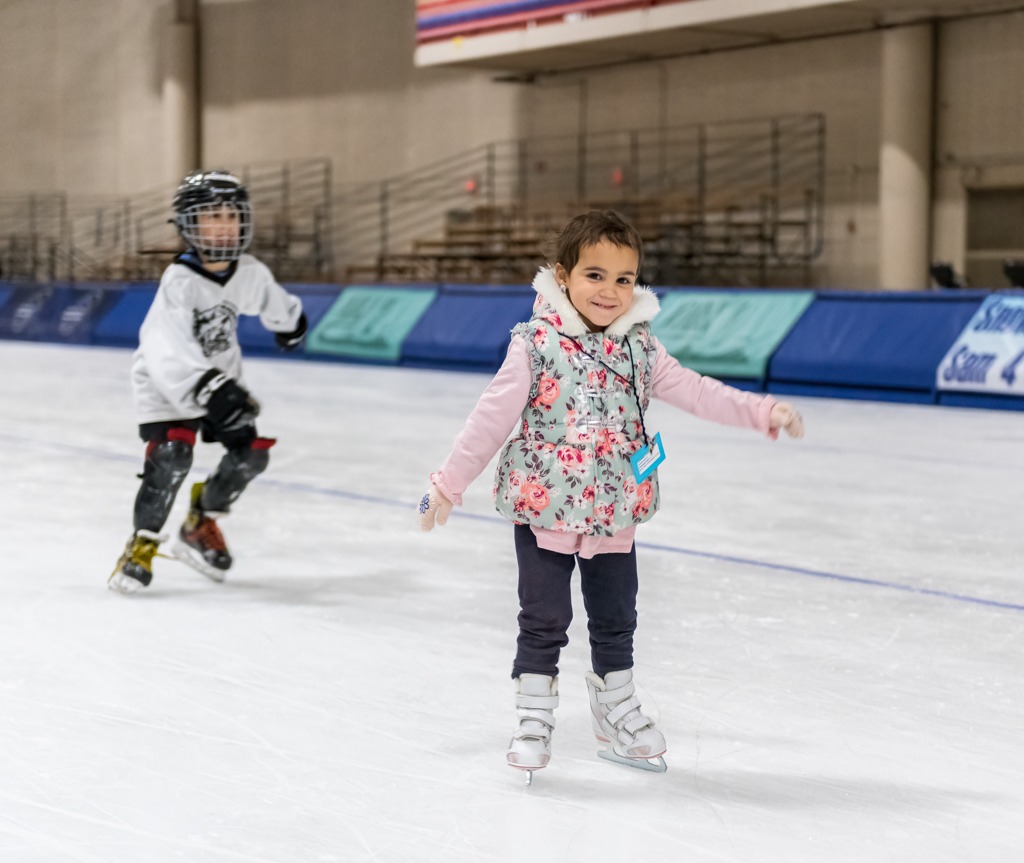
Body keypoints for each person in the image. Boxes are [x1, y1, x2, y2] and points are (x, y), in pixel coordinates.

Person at [418, 209, 804, 779]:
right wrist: (446, 485)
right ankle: (533, 714)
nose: (610, 291)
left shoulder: (641, 350)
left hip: (614, 509)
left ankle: (614, 708)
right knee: (543, 617)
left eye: (624, 279)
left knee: (617, 618)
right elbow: (489, 420)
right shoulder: (537, 345)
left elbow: (699, 393)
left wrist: (761, 411)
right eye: (594, 275)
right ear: (563, 275)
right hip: (545, 505)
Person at [109, 169, 308, 594]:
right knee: (172, 456)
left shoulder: (248, 271)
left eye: (230, 215)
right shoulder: (179, 281)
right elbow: (165, 348)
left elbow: (274, 302)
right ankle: (140, 546)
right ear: (189, 226)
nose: (223, 225)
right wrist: (206, 386)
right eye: (210, 216)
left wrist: (289, 323)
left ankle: (201, 521)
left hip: (218, 380)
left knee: (250, 456)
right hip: (167, 382)